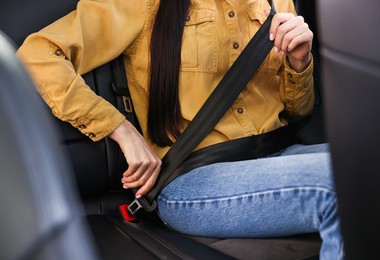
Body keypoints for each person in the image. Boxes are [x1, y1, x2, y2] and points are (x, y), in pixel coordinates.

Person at [17, 0, 344, 258]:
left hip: (280, 154)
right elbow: (37, 55)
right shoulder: (144, 3)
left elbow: (297, 112)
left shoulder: (275, 2)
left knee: (373, 163)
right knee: (342, 184)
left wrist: (299, 62)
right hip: (195, 179)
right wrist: (119, 128)